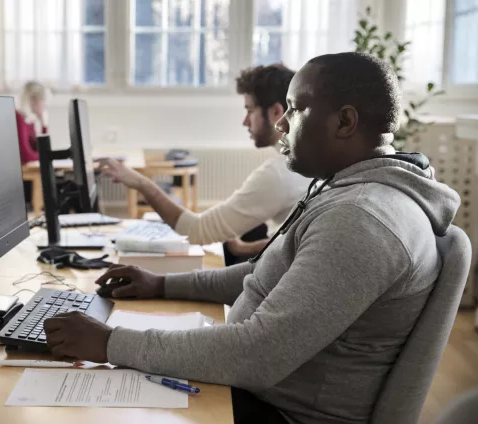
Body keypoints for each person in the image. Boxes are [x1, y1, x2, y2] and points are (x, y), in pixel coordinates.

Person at [42, 52, 461, 424]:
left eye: (294, 110)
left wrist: (111, 343)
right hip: (254, 390)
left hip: (276, 409)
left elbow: (256, 356)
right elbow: (263, 273)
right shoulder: (350, 192)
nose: (281, 122)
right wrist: (163, 284)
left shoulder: (361, 219)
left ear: (345, 121)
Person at [99, 64, 310, 257]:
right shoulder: (306, 163)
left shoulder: (280, 174)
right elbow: (294, 242)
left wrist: (141, 183)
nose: (245, 122)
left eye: (250, 110)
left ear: (276, 112)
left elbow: (196, 231)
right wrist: (242, 247)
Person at [16, 81, 48, 165]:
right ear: (33, 99)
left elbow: (40, 149)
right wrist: (46, 155)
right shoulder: (18, 118)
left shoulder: (28, 121)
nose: (44, 105)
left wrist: (43, 123)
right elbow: (26, 157)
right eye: (43, 101)